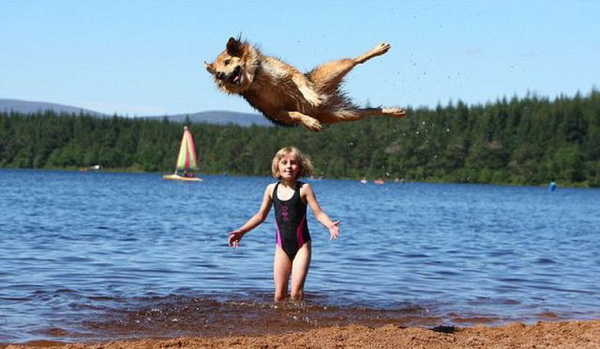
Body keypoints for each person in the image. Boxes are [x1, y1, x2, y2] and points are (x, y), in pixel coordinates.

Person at [228, 146, 340, 302]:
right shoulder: (271, 189)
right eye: (284, 162)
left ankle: (300, 321)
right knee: (279, 295)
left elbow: (318, 212)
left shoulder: (304, 189)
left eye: (293, 163)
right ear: (277, 166)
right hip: (281, 246)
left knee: (295, 293)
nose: (288, 166)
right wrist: (242, 231)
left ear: (299, 167)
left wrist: (330, 225)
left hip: (302, 245)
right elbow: (260, 216)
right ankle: (282, 324)